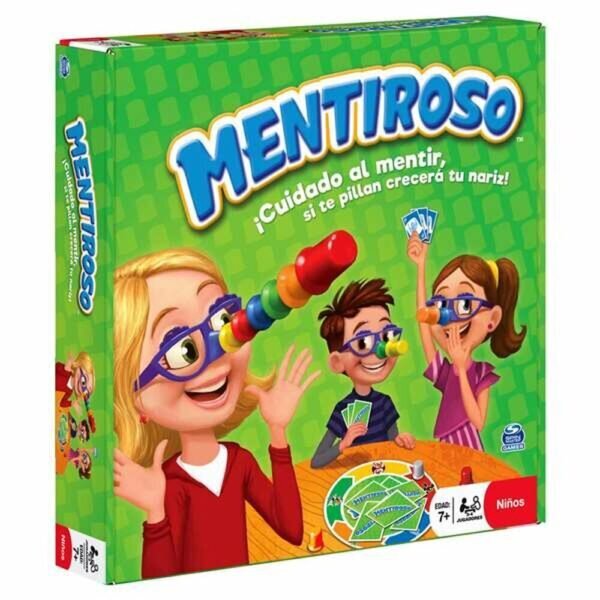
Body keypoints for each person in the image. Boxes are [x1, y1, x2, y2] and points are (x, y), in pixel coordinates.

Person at [113, 248, 319, 578]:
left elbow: (291, 529)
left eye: (224, 321)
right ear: (134, 396)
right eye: (182, 349)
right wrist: (155, 512)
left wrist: (278, 432)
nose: (216, 356)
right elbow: (159, 581)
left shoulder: (239, 462)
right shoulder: (169, 485)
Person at [407, 231, 527, 450]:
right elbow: (424, 322)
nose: (449, 317)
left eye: (464, 304)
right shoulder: (444, 373)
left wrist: (462, 370)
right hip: (445, 446)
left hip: (469, 448)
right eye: (441, 304)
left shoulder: (482, 373)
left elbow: (478, 422)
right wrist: (421, 267)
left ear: (493, 319)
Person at [311, 279, 415, 468]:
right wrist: (343, 443)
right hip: (356, 475)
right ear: (337, 362)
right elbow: (317, 461)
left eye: (387, 336)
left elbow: (392, 442)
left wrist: (400, 439)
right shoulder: (343, 409)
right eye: (363, 342)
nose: (382, 350)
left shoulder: (384, 403)